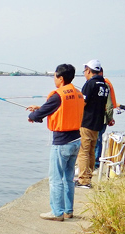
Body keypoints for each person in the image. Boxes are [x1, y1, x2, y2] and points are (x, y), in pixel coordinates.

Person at [27, 64, 84, 221]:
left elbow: (40, 114)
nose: (54, 79)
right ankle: (68, 210)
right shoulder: (78, 94)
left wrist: (33, 115)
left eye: (55, 76)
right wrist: (40, 109)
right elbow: (60, 110)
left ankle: (57, 212)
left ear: (61, 78)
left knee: (55, 179)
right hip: (76, 140)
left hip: (62, 143)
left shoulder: (58, 95)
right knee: (69, 178)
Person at [76, 59, 110, 189]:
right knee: (91, 150)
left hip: (87, 121)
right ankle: (88, 177)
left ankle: (83, 180)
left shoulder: (90, 84)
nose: (84, 73)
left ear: (89, 70)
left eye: (84, 71)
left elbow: (83, 103)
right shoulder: (104, 85)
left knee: (83, 151)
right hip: (98, 122)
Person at [93, 68, 116, 168]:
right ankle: (95, 162)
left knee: (97, 140)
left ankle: (96, 163)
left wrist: (110, 118)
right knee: (98, 140)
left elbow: (109, 105)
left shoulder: (104, 85)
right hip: (101, 118)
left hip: (101, 119)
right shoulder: (103, 85)